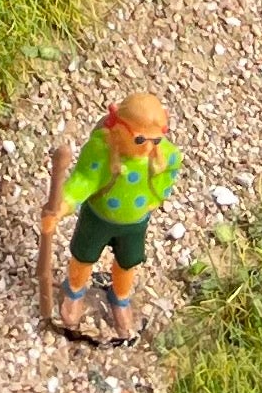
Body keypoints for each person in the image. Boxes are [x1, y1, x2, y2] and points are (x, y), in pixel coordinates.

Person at [38, 92, 181, 342]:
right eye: (139, 139)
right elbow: (84, 180)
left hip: (134, 223)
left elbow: (171, 169)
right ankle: (74, 291)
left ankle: (120, 297)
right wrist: (62, 206)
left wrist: (158, 196)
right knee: (84, 257)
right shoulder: (102, 151)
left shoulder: (162, 155)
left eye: (156, 140)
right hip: (99, 218)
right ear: (118, 127)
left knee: (128, 262)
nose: (148, 147)